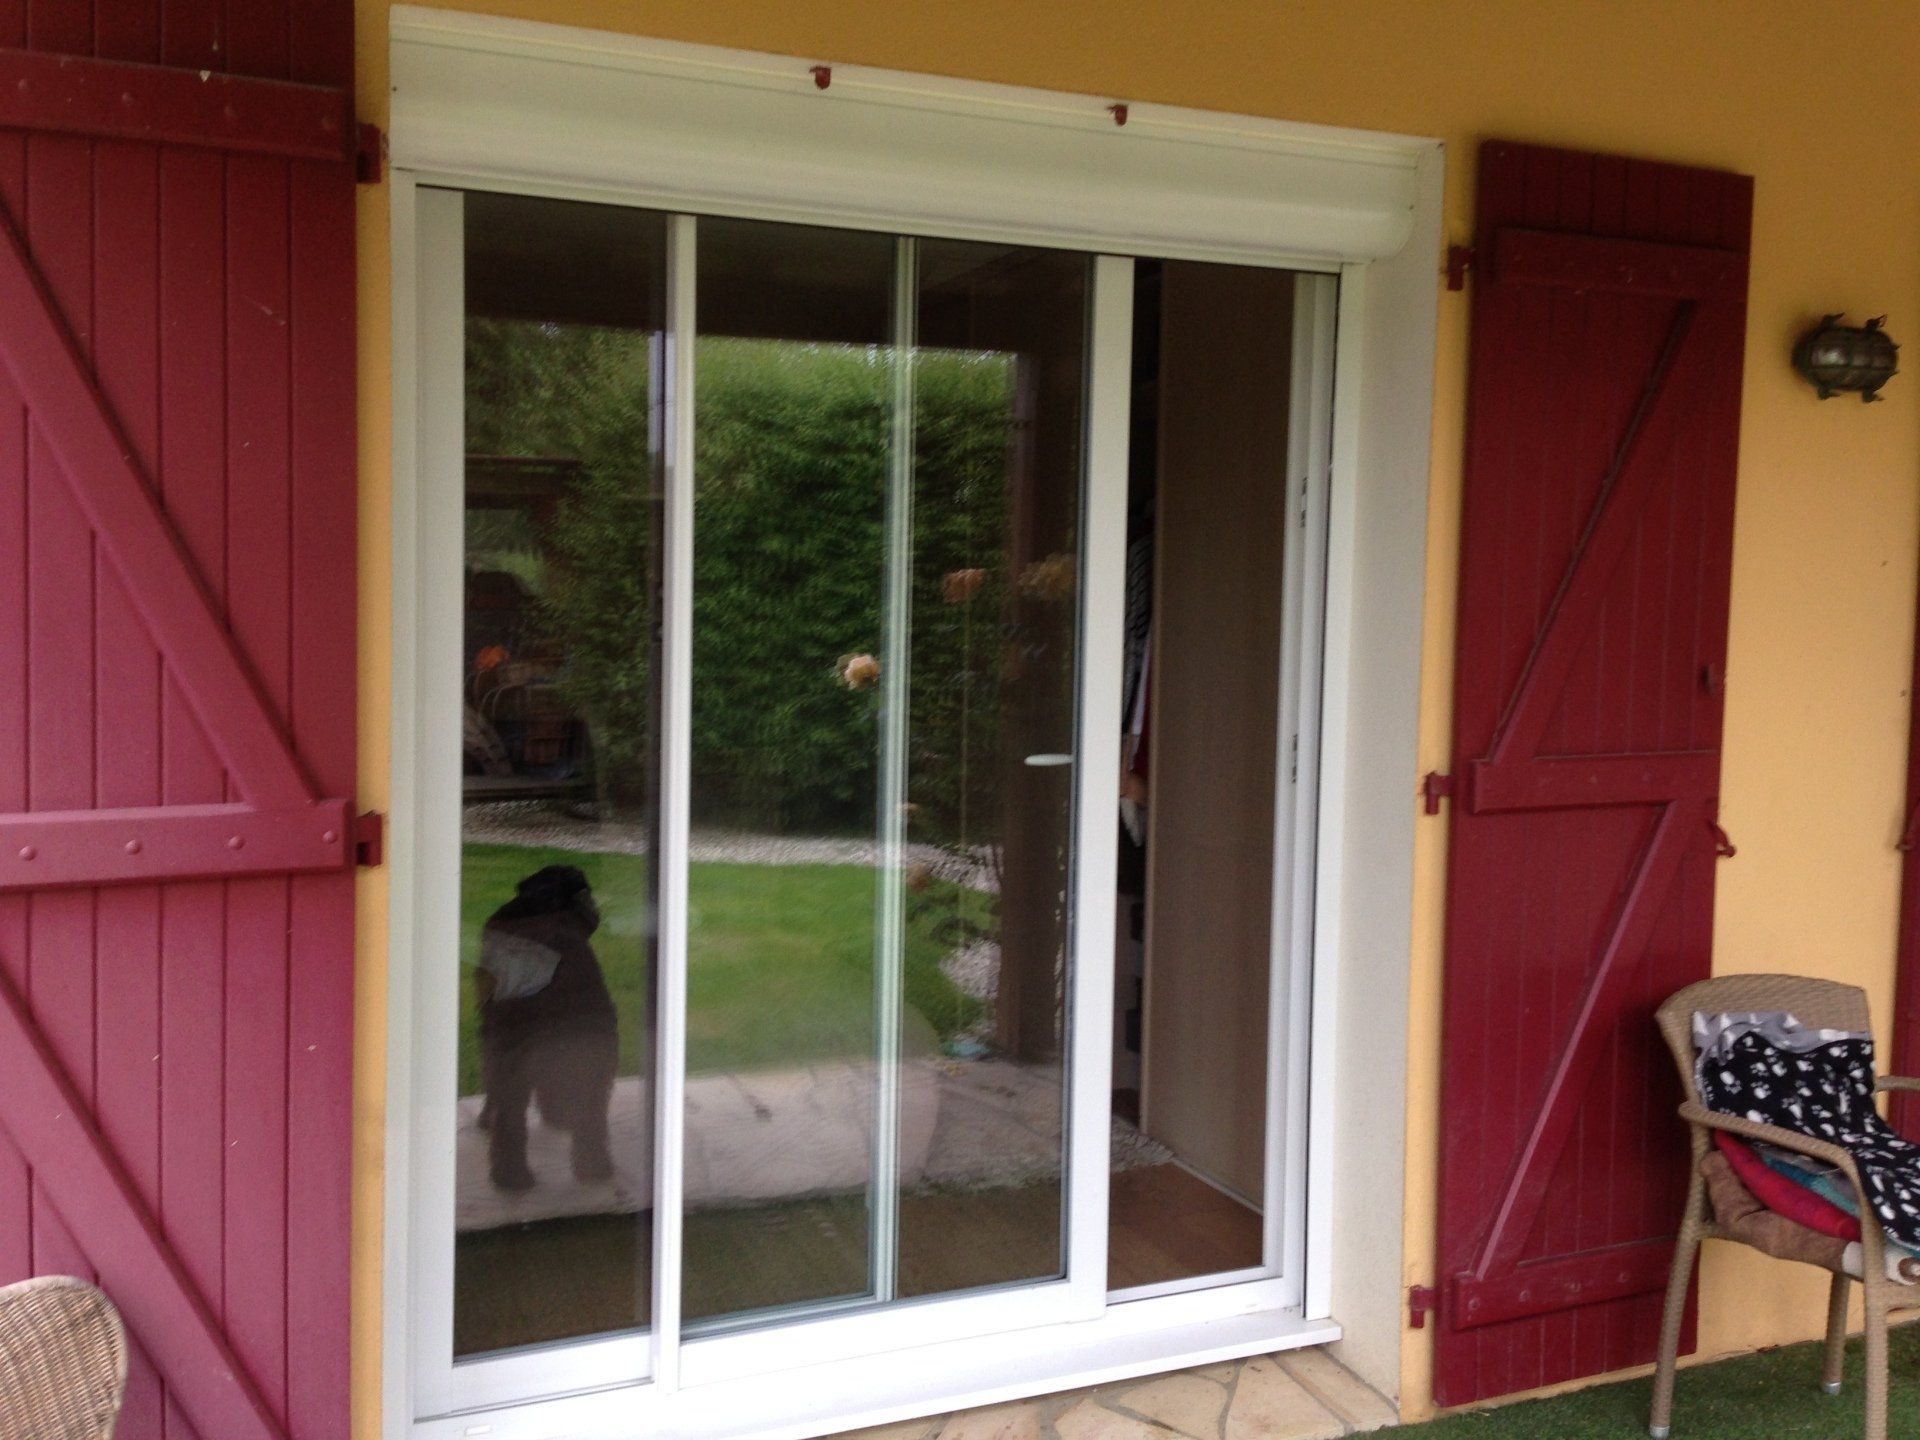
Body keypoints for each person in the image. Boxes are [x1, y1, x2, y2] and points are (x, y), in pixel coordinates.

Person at [475, 864, 618, 1191]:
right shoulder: (566, 931)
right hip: (574, 1019)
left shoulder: (499, 922)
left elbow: (488, 1001)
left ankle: (508, 1165)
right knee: (595, 1054)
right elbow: (593, 1012)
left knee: (507, 1064)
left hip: (509, 1018)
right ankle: (590, 1158)